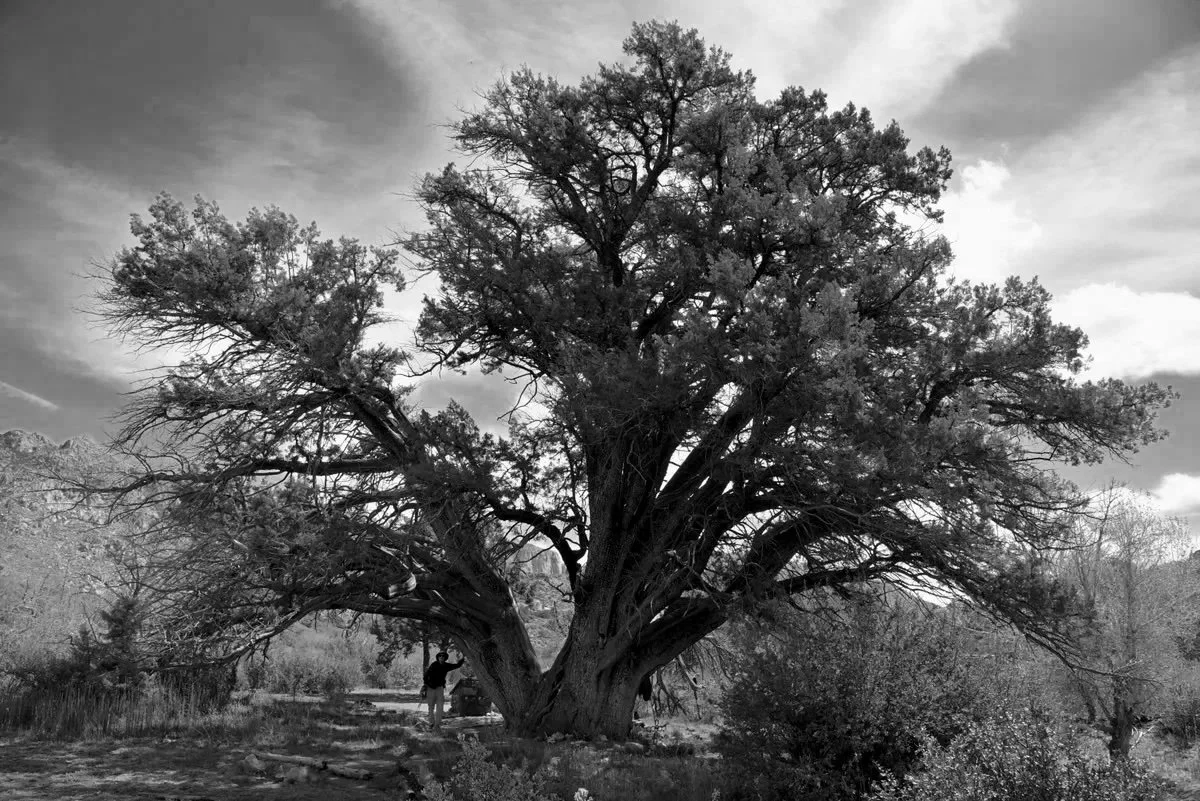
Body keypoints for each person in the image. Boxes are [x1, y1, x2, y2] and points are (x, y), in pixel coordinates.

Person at [422, 651, 465, 730]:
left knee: (440, 706)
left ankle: (437, 724)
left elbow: (458, 665)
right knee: (431, 707)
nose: (441, 657)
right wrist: (425, 685)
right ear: (438, 657)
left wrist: (463, 658)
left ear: (445, 658)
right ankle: (431, 723)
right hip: (430, 688)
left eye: (443, 657)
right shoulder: (434, 665)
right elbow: (426, 675)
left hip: (439, 688)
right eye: (440, 656)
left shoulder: (446, 666)